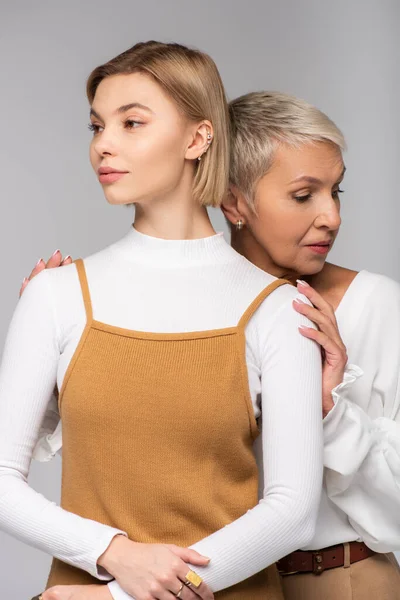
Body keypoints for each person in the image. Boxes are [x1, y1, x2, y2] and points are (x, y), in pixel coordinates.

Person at [0, 43, 327, 600]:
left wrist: (120, 594)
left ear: (198, 139)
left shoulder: (275, 307)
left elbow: (293, 511)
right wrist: (113, 553)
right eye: (98, 125)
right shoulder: (55, 297)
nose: (103, 144)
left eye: (132, 123)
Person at [221, 91, 400, 599]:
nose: (332, 218)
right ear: (234, 201)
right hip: (222, 587)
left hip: (343, 580)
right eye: (304, 196)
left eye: (336, 191)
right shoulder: (192, 313)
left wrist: (331, 407)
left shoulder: (377, 305)